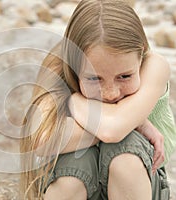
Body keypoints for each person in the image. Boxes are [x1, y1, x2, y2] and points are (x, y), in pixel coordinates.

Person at [20, 0, 176, 199]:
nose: (110, 93)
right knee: (76, 165)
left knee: (125, 150)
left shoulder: (154, 65)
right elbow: (43, 142)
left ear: (141, 53)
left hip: (137, 186)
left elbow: (113, 130)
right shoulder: (59, 69)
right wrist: (136, 122)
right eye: (94, 78)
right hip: (78, 187)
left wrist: (74, 101)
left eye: (124, 76)